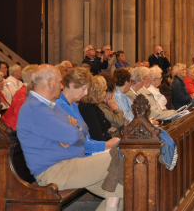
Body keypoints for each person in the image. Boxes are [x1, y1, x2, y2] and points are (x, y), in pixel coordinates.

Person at [16, 64, 123, 210]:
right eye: (60, 82)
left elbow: (82, 127)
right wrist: (74, 131)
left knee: (127, 191)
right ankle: (111, 205)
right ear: (49, 83)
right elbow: (74, 136)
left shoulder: (52, 105)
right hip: (55, 171)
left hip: (71, 165)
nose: (62, 86)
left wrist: (75, 129)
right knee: (118, 155)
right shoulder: (35, 107)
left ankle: (112, 204)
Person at [55, 67, 120, 156]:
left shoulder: (73, 104)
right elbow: (78, 143)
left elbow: (85, 136)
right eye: (84, 88)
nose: (86, 93)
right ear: (71, 85)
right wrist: (107, 144)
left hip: (86, 152)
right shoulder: (60, 106)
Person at [2, 64, 38, 130]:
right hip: (12, 129)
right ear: (32, 78)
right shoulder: (24, 93)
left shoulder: (25, 90)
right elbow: (21, 118)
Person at [98, 73, 128, 137]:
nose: (114, 91)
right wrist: (115, 108)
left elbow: (126, 121)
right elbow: (120, 123)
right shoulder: (101, 107)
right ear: (108, 91)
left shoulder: (107, 104)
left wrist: (120, 125)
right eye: (114, 89)